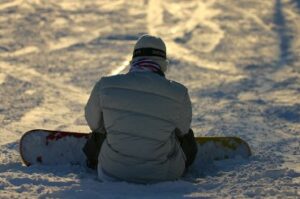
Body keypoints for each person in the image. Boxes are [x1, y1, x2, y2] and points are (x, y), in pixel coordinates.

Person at [83, 34, 197, 184]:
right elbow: (182, 130)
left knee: (98, 135)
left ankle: (97, 161)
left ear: (134, 58)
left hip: (112, 171)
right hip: (162, 175)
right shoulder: (179, 92)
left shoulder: (105, 85)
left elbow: (94, 124)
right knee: (188, 138)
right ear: (163, 62)